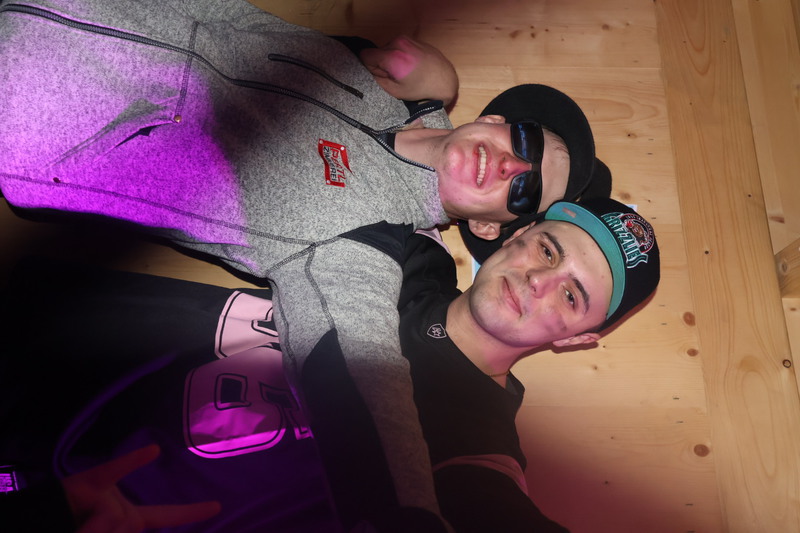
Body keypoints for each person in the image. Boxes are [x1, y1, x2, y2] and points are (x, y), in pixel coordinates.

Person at [0, 1, 604, 530]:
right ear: (496, 122)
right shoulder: (385, 86)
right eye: (525, 144)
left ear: (490, 228)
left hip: (29, 109)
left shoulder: (367, 241)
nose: (509, 167)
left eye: (525, 191)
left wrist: (402, 518)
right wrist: (434, 90)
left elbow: (363, 385)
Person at [0, 195, 658, 533]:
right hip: (36, 373)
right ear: (515, 236)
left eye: (572, 295)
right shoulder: (408, 256)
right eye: (548, 250)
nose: (539, 281)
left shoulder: (478, 455)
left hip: (91, 512)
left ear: (577, 340)